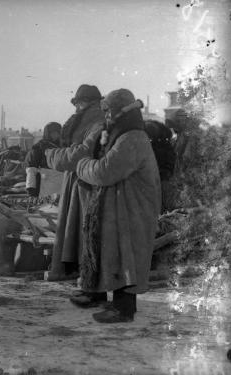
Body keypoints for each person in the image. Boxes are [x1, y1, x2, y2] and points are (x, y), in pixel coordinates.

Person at [74, 89, 161, 323]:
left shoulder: (132, 138)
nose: (106, 115)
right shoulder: (120, 135)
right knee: (114, 253)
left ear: (120, 111)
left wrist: (81, 165)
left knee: (127, 257)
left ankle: (124, 310)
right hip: (122, 206)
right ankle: (102, 296)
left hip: (134, 209)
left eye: (108, 110)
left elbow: (105, 171)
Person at [44, 84, 105, 281]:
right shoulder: (91, 119)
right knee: (77, 230)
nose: (76, 108)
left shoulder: (97, 121)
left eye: (78, 103)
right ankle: (80, 272)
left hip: (86, 184)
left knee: (83, 230)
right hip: (77, 181)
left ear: (86, 103)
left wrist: (53, 156)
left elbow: (81, 153)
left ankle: (87, 276)